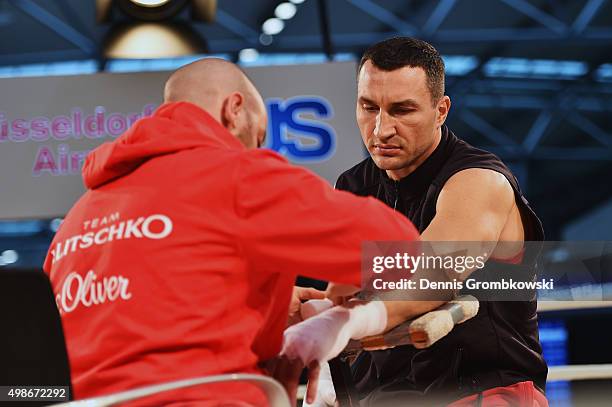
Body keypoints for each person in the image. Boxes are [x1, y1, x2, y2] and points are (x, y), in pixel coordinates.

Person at [42, 58, 420, 406]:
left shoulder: (79, 218)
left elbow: (140, 313)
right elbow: (400, 247)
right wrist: (343, 290)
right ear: (234, 109)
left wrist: (262, 306)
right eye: (259, 137)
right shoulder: (235, 175)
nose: (259, 149)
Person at [326, 37, 548, 406]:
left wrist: (338, 325)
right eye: (369, 107)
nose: (380, 129)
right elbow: (340, 291)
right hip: (383, 395)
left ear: (441, 110)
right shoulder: (352, 186)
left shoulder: (478, 180)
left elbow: (433, 277)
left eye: (402, 110)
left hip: (482, 391)